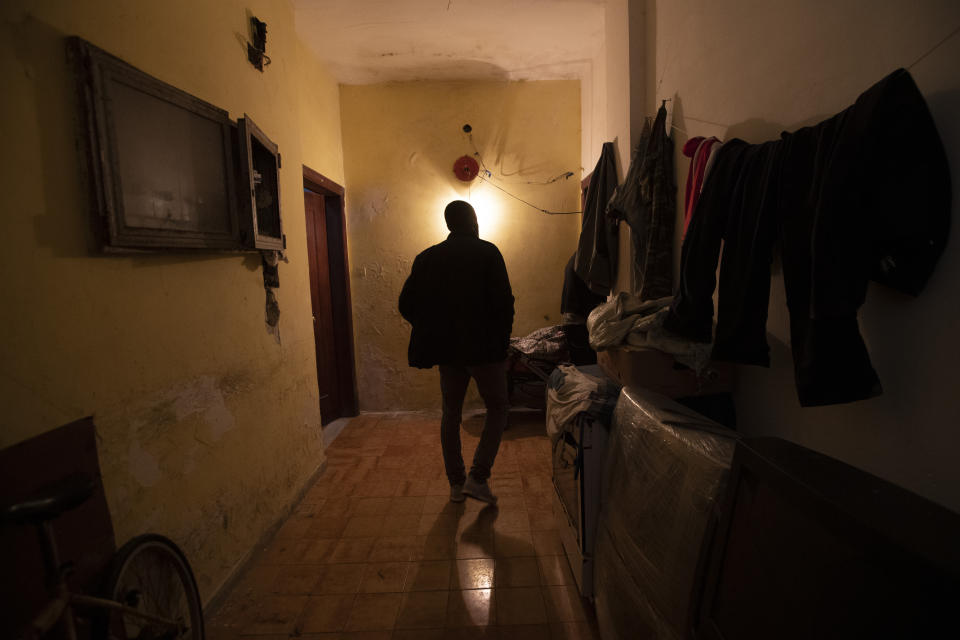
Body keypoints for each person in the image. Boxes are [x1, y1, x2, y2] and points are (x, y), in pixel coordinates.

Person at [399, 200, 515, 504]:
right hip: (486, 350)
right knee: (498, 409)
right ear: (474, 220)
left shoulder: (427, 258)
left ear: (448, 224)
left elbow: (406, 305)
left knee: (451, 413)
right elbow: (504, 304)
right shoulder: (488, 252)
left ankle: (455, 484)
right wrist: (502, 344)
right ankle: (478, 478)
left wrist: (433, 328)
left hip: (447, 352)